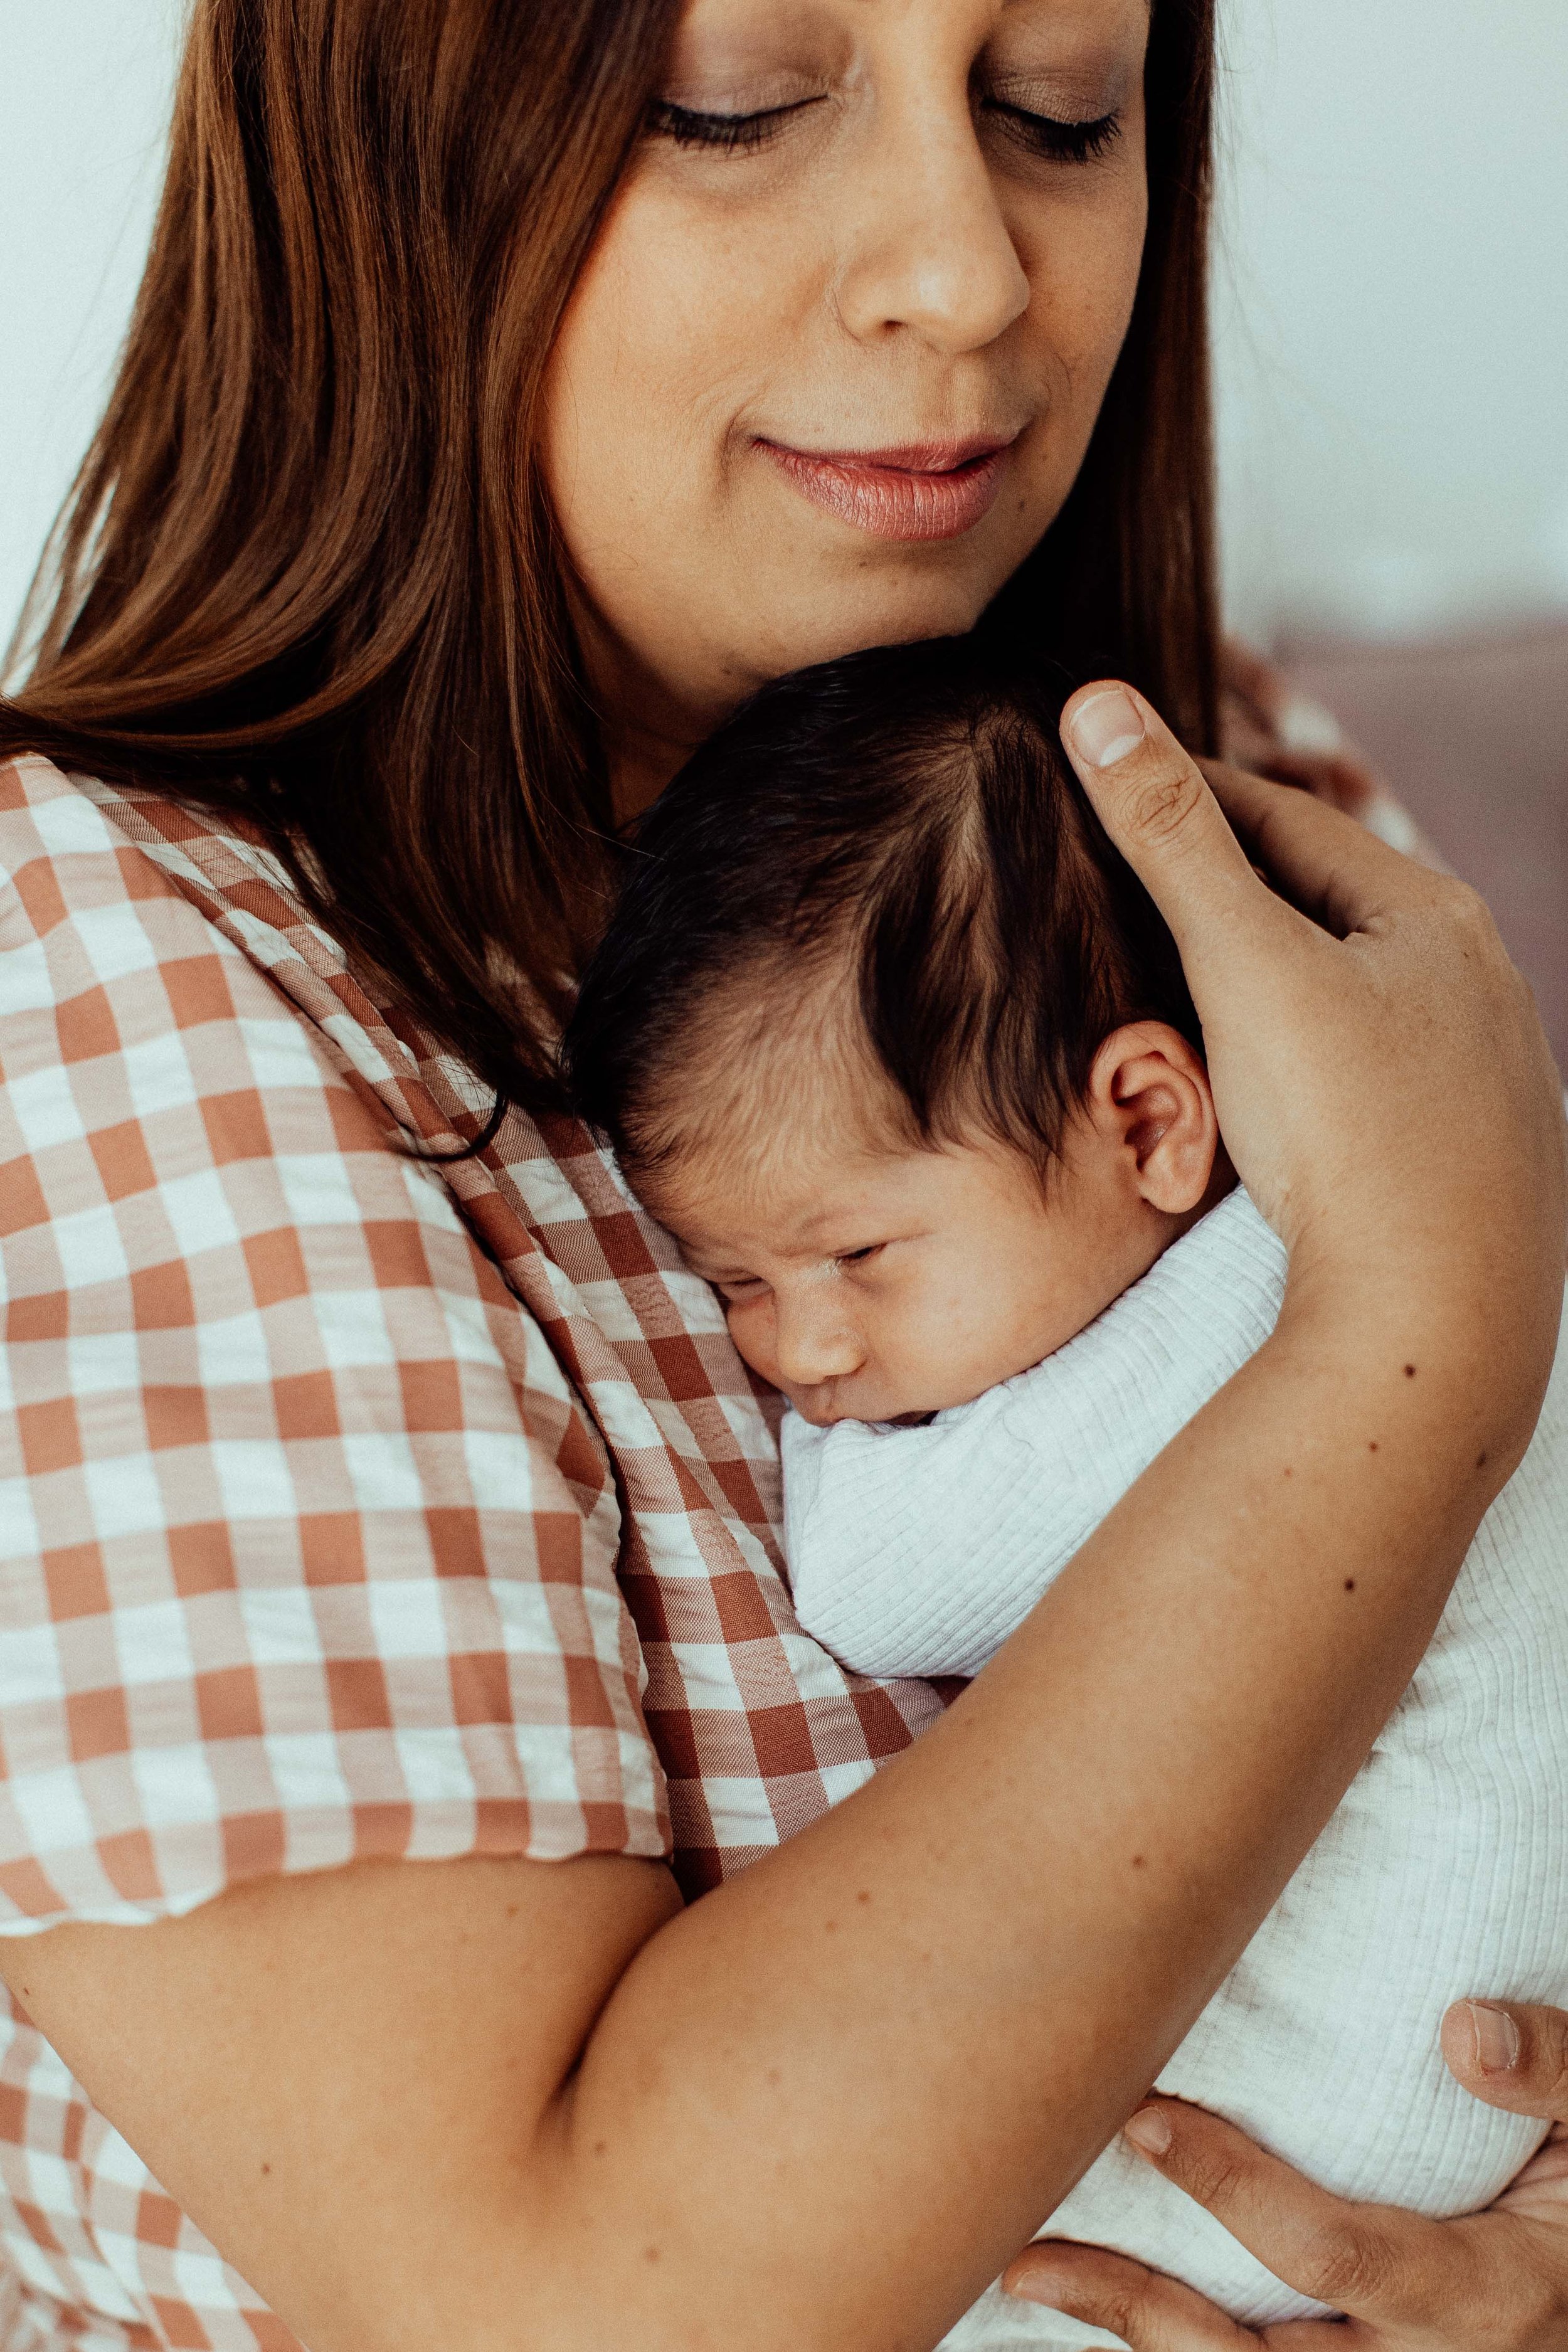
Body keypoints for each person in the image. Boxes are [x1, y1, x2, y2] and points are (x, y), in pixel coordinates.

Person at [0, 4, 1563, 2348]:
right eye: (731, 104)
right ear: (391, 148)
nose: (967, 271)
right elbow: (565, 2304)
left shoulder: (1186, 789)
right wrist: (1414, 1319)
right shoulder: (95, 968)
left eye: (1059, 111)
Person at [559, 636, 1568, 2338]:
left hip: (1318, 2122)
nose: (800, 1351)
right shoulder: (1381, 1177)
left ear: (1148, 1119)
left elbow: (873, 1580)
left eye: (855, 1252)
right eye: (730, 1283)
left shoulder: (1256, 1306)